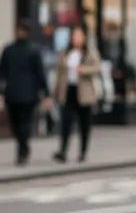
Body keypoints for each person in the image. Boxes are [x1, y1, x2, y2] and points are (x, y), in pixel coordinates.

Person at [0, 19, 51, 165]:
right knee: (15, 124)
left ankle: (22, 151)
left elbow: (40, 74)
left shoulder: (34, 50)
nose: (20, 33)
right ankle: (23, 147)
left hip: (29, 95)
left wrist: (46, 95)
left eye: (23, 30)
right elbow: (2, 72)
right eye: (18, 30)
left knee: (25, 123)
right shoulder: (9, 50)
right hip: (12, 94)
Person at [52, 26, 101, 163]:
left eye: (79, 36)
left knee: (84, 123)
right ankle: (62, 151)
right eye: (74, 36)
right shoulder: (65, 53)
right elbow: (59, 74)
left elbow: (97, 68)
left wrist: (84, 70)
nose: (77, 39)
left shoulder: (89, 53)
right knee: (66, 122)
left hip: (84, 93)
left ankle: (83, 151)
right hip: (69, 91)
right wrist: (55, 93)